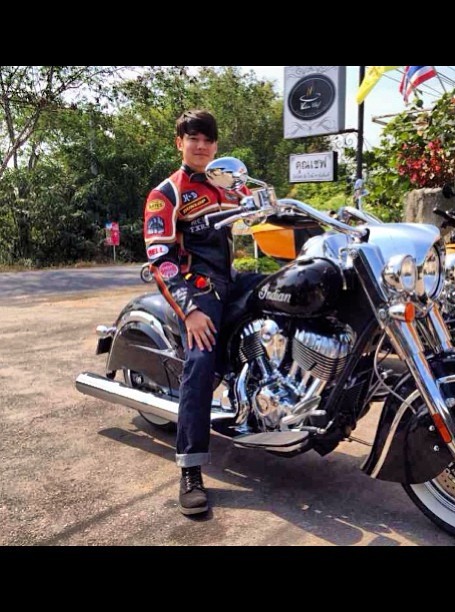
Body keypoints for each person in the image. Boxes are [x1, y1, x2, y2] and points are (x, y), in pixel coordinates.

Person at [143, 109, 263, 516]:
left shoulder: (224, 186)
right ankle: (191, 468)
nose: (200, 145)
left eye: (207, 139)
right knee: (200, 358)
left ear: (216, 146)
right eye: (193, 138)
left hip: (231, 279)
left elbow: (257, 210)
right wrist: (191, 310)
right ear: (179, 143)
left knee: (291, 291)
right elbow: (161, 259)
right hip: (197, 288)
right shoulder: (167, 192)